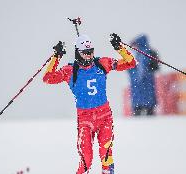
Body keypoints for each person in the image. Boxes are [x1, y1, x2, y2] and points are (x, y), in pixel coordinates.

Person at [43, 33, 137, 174]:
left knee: (106, 154)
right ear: (78, 53)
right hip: (85, 120)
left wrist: (119, 47)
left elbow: (131, 63)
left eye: (91, 51)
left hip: (105, 117)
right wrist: (56, 57)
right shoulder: (70, 71)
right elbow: (48, 78)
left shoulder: (102, 63)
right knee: (86, 160)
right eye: (85, 53)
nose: (89, 55)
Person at [127, 34, 160, 116]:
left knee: (142, 108)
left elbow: (155, 67)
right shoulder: (140, 54)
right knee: (147, 106)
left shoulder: (147, 53)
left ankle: (144, 110)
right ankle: (147, 110)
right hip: (144, 85)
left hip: (143, 85)